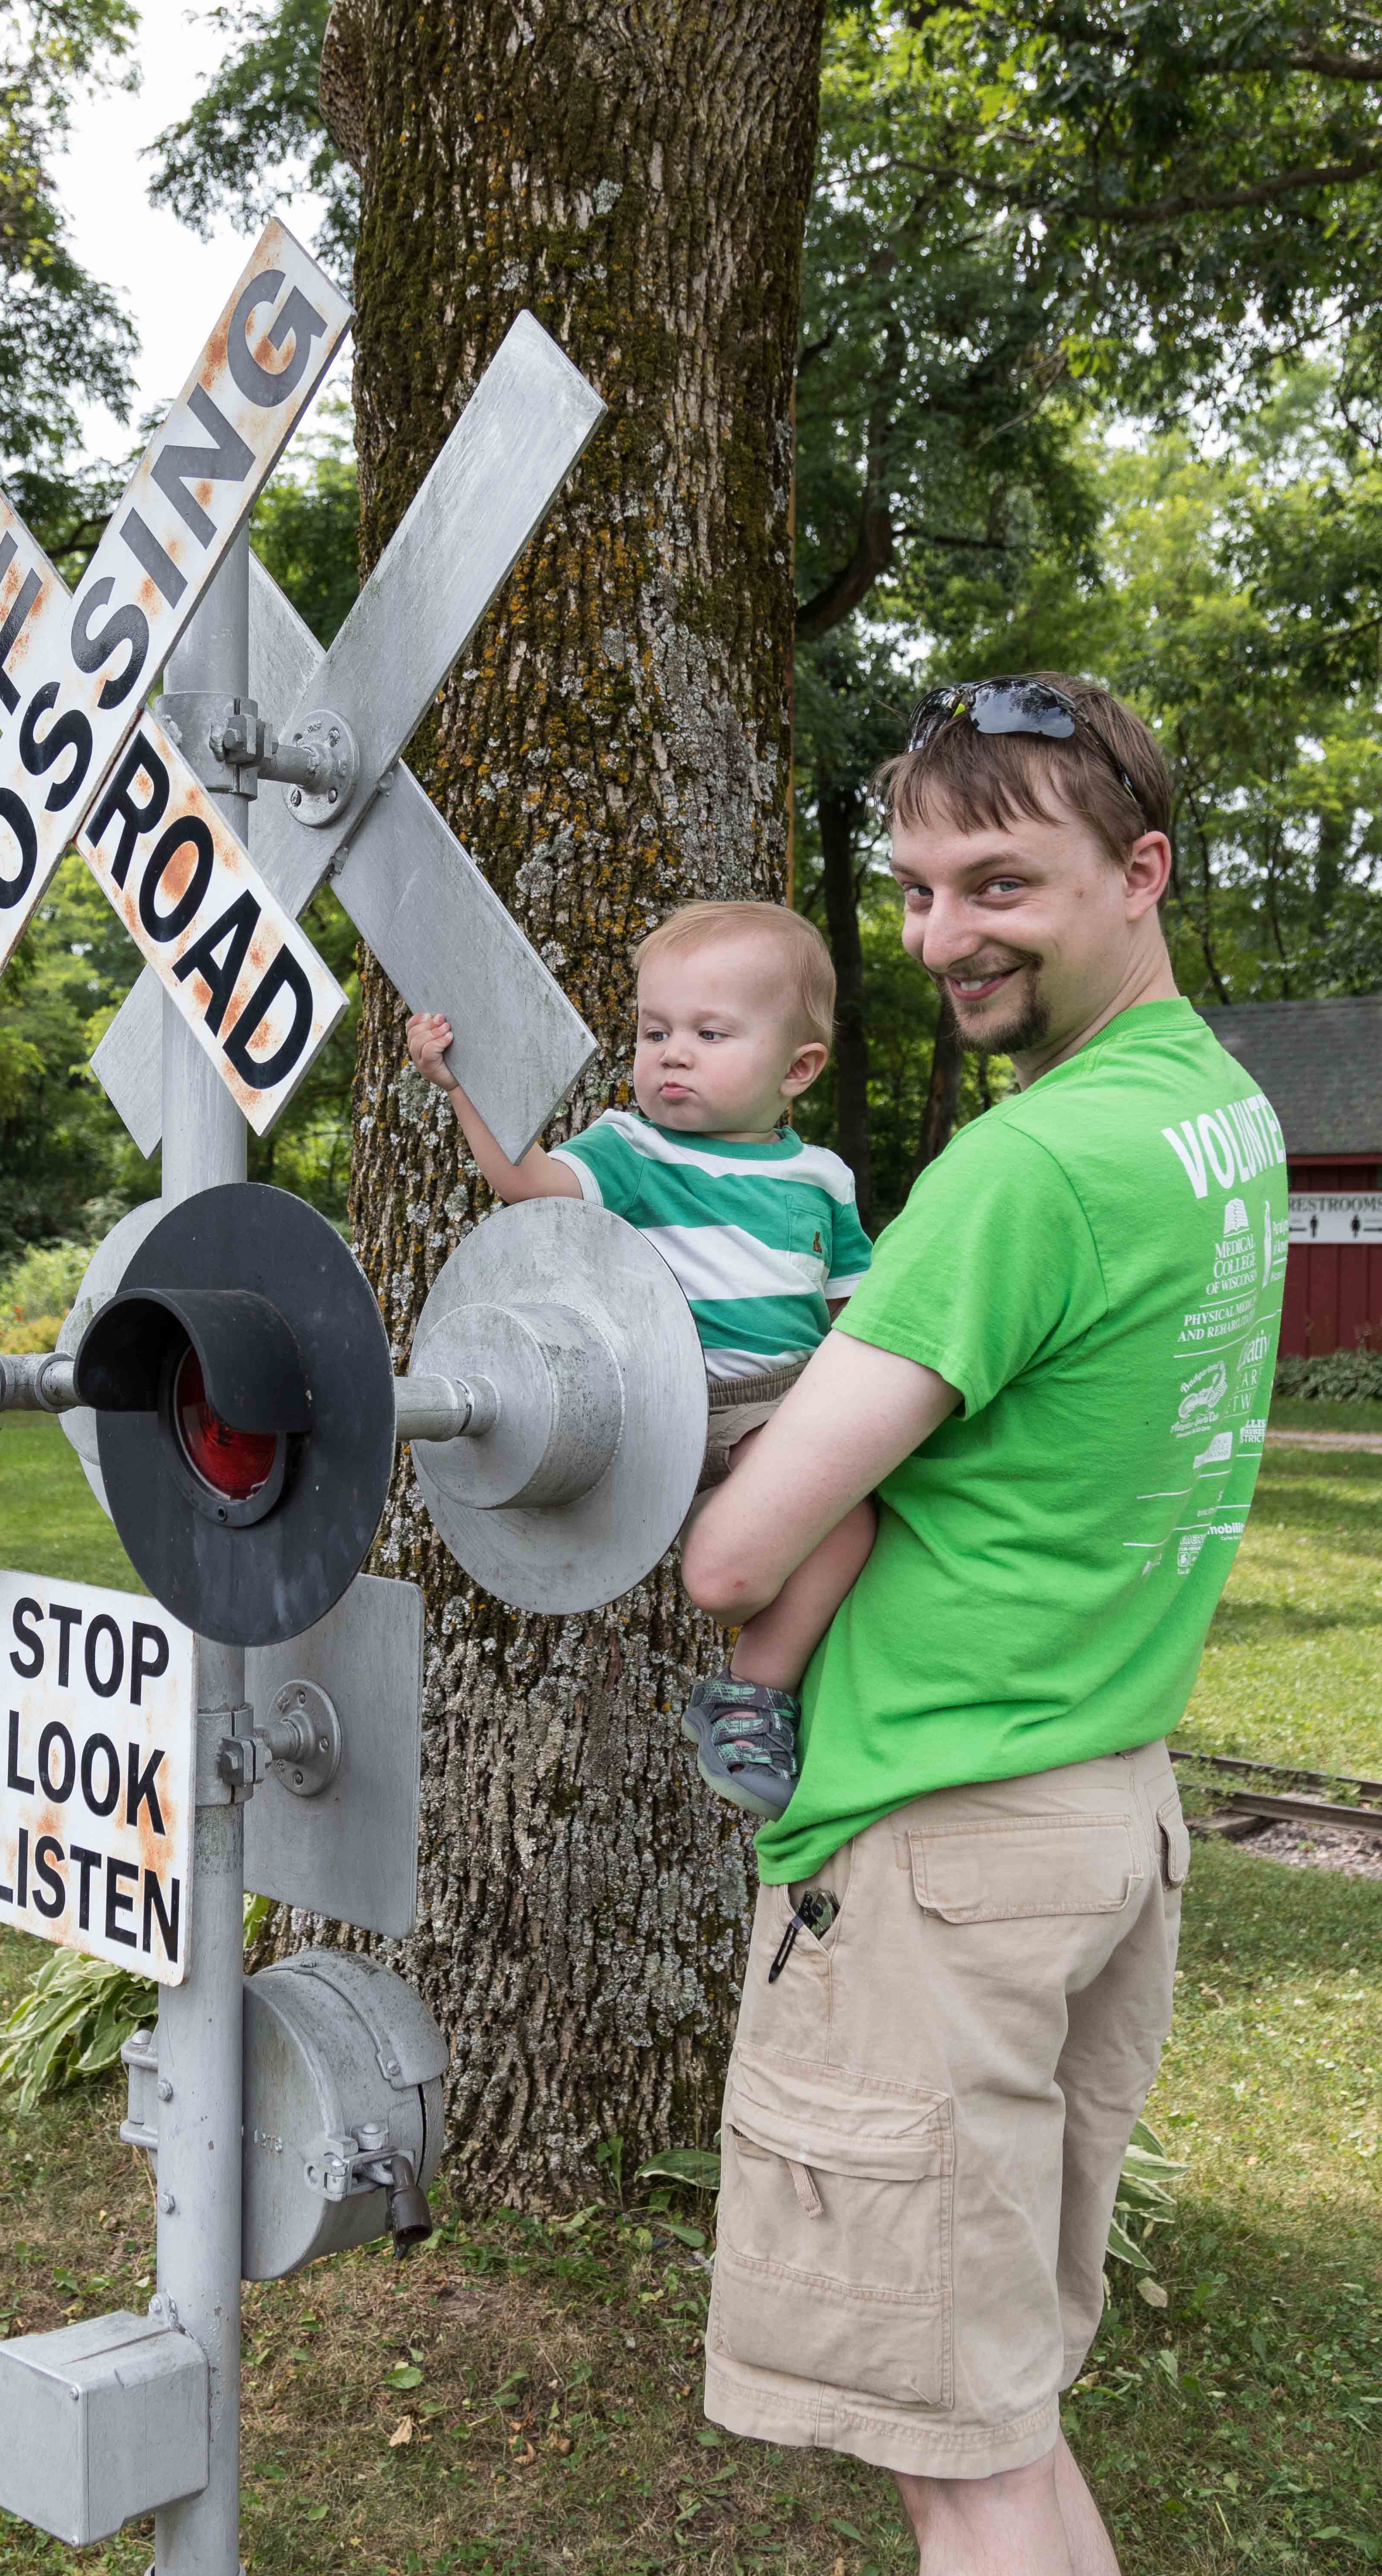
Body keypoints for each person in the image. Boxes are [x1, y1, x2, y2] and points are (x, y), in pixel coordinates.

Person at [681, 675, 1287, 2576]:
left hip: (937, 1844)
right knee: (996, 2421)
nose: (944, 935)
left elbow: (733, 1560)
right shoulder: (1217, 1113)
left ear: (1141, 871)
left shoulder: (1024, 1168)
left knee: (964, 2470)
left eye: (999, 884)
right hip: (1101, 1810)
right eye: (922, 888)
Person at [405, 899, 876, 1820]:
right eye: (654, 1031)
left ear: (799, 1067)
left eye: (708, 1032)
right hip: (679, 1400)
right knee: (824, 1530)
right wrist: (461, 1087)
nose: (671, 1053)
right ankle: (755, 1693)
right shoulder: (632, 1146)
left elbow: (855, 1308)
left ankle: (760, 1686)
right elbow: (524, 1185)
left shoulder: (820, 1178)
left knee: (848, 1525)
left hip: (792, 1397)